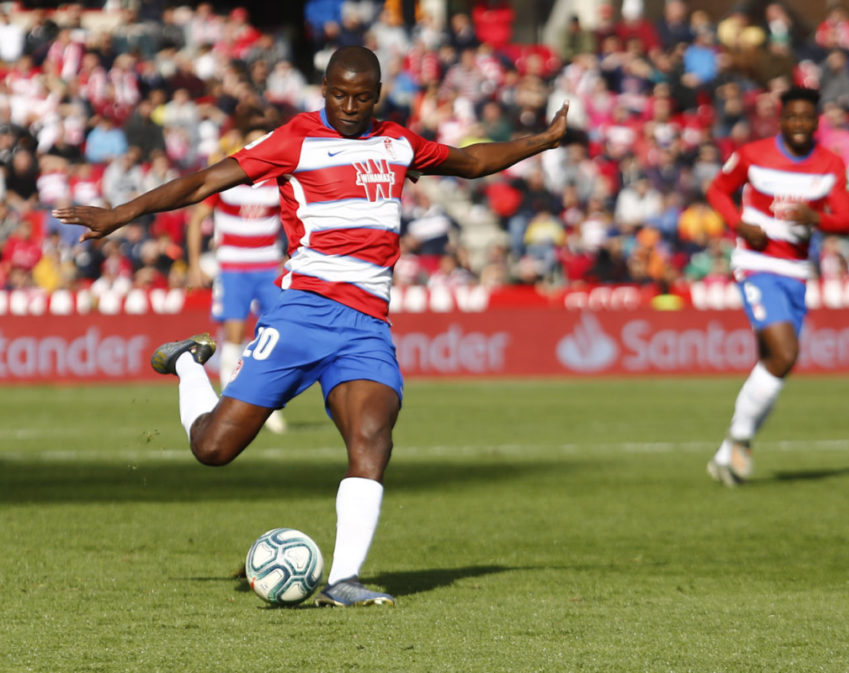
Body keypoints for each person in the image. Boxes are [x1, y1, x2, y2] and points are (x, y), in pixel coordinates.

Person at [54, 46, 569, 606]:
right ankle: (185, 363)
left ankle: (343, 580)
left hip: (367, 324)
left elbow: (470, 161)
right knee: (213, 449)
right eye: (339, 94)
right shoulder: (293, 140)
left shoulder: (398, 142)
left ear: (376, 96)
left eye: (362, 96)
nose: (349, 105)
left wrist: (539, 142)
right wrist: (120, 214)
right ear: (323, 89)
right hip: (302, 312)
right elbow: (204, 182)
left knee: (373, 438)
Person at [703, 86, 849, 486]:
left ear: (816, 121)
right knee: (785, 354)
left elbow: (847, 218)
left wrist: (815, 218)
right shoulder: (753, 154)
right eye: (794, 117)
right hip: (755, 264)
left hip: (796, 271)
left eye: (808, 118)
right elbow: (716, 189)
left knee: (774, 365)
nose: (801, 125)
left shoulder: (830, 164)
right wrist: (738, 224)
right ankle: (738, 442)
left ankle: (726, 455)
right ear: (782, 120)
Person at [186, 127, 288, 434]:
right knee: (233, 335)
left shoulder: (278, 180)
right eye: (252, 138)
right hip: (233, 268)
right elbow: (196, 219)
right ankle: (231, 405)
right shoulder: (228, 176)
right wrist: (194, 263)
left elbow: (295, 217)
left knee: (278, 337)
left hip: (269, 267)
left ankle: (265, 404)